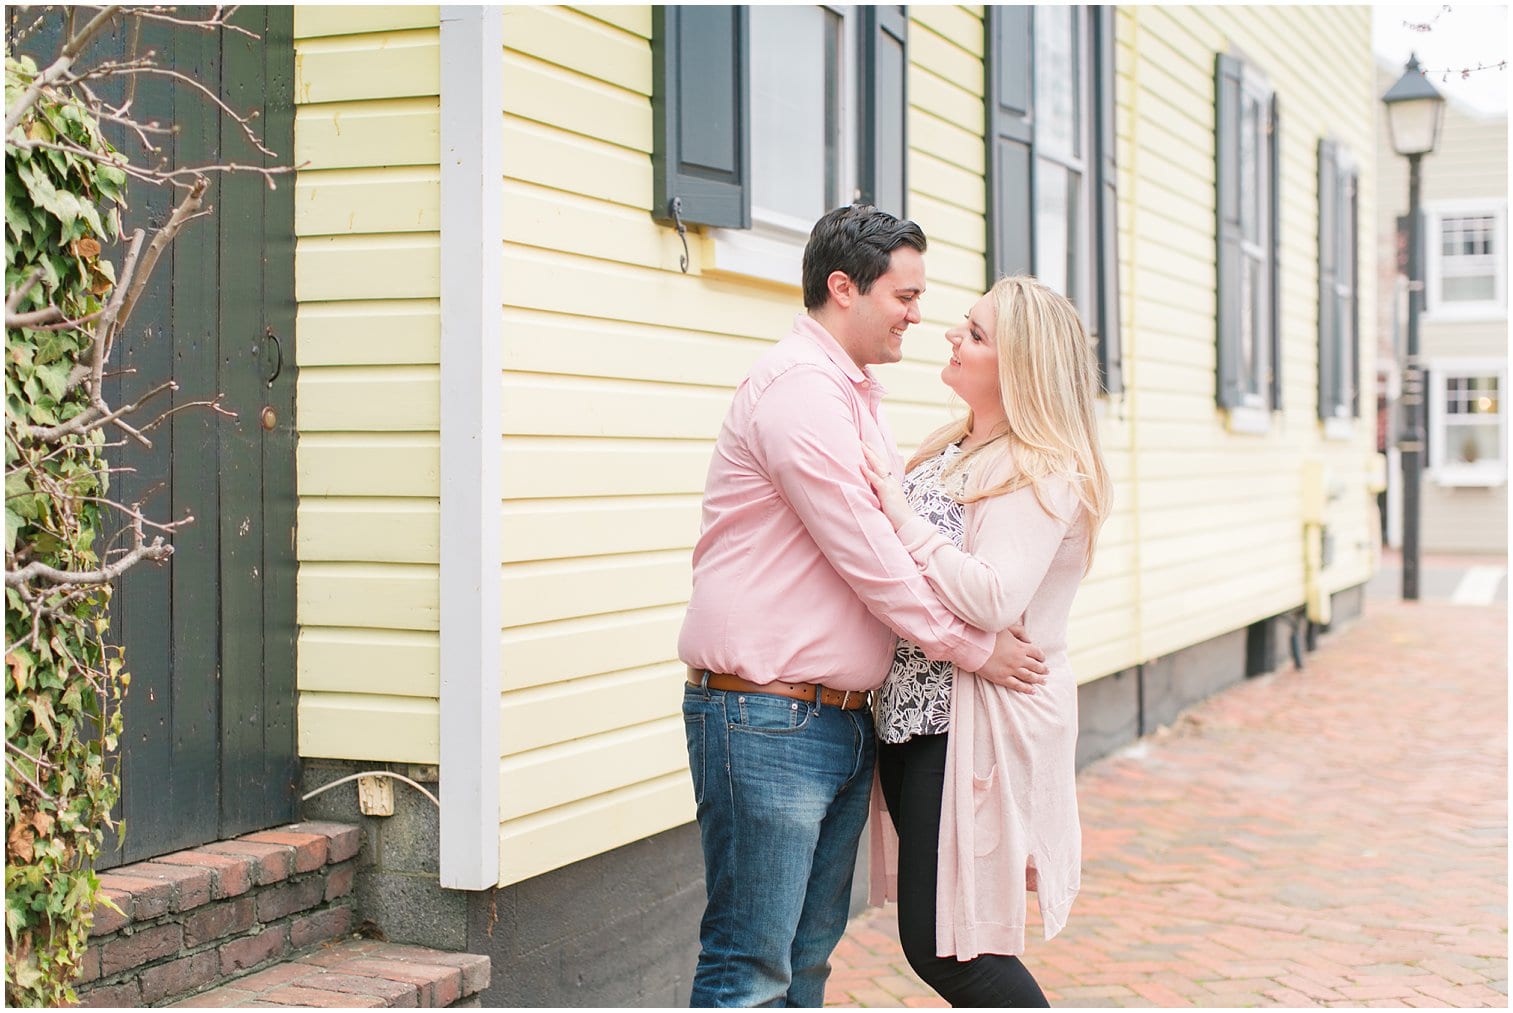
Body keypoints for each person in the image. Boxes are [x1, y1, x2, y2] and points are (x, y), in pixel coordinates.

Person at [678, 206, 1050, 1008]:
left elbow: (897, 536)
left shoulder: (856, 396)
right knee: (751, 967)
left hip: (840, 721)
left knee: (805, 962)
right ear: (843, 288)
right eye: (905, 295)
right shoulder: (799, 393)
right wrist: (974, 647)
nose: (919, 315)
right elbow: (873, 558)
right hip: (766, 717)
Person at [860, 275, 1112, 1007]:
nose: (949, 335)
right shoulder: (956, 445)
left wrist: (898, 516)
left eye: (972, 332)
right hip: (917, 713)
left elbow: (994, 595)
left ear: (1020, 367)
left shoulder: (1042, 468)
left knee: (954, 946)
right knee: (947, 936)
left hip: (977, 722)